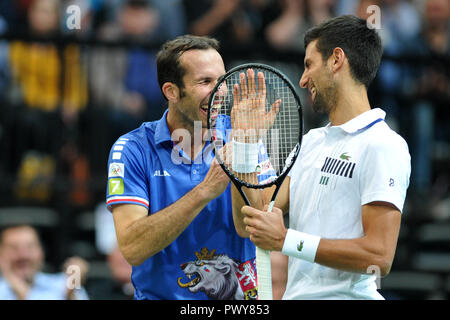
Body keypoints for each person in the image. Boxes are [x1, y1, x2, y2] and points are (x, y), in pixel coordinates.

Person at [232, 15, 411, 299]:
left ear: (337, 59)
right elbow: (250, 221)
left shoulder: (383, 144)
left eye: (308, 64)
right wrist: (244, 144)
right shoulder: (311, 142)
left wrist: (288, 240)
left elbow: (380, 255)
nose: (303, 79)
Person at [106, 35, 259, 300]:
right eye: (205, 82)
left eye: (221, 80)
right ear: (171, 91)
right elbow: (132, 247)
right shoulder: (132, 149)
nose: (219, 91)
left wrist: (244, 149)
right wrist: (204, 191)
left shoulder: (242, 137)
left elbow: (250, 228)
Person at [0, 224, 89, 300]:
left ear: (41, 252)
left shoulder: (63, 283)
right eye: (13, 248)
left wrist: (71, 294)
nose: (23, 255)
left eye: (30, 247)